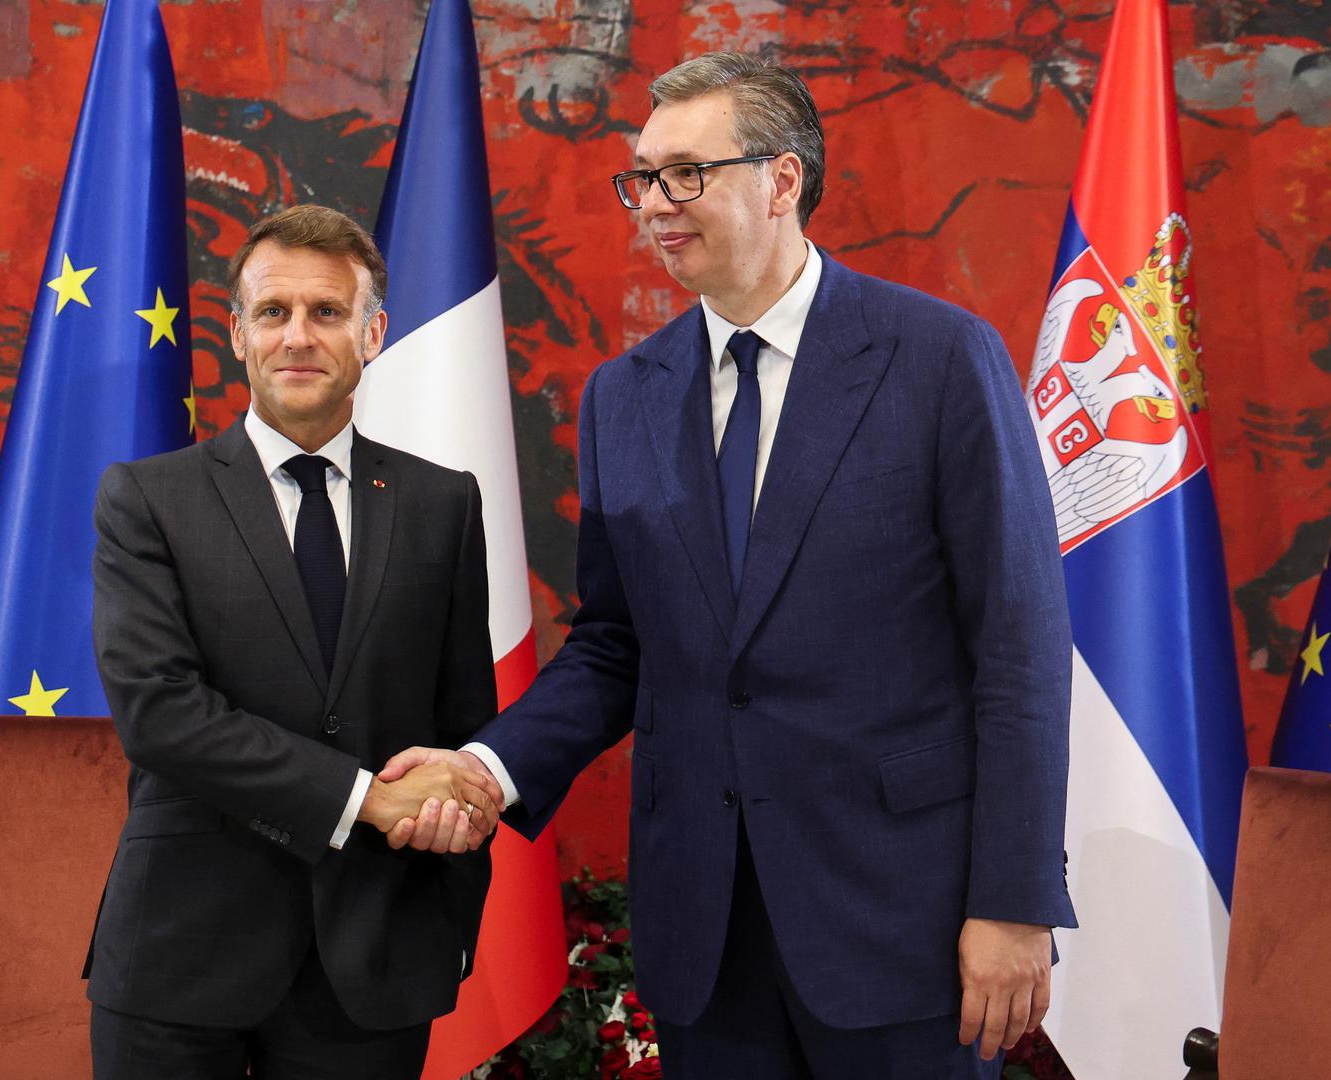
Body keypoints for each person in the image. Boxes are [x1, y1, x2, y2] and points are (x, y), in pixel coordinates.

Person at [381, 52, 1076, 1079]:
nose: (654, 205)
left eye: (686, 174)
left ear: (782, 179)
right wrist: (487, 768)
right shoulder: (623, 395)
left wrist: (1014, 901)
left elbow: (1019, 651)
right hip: (706, 934)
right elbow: (617, 645)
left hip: (903, 924)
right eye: (642, 179)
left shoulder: (939, 360)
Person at [84, 204, 505, 1079]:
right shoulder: (148, 498)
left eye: (327, 312)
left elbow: (466, 724)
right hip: (178, 957)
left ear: (374, 331)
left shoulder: (444, 505)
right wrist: (364, 799)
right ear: (236, 333)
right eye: (273, 312)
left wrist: (449, 894)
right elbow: (161, 716)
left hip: (375, 962)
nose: (298, 336)